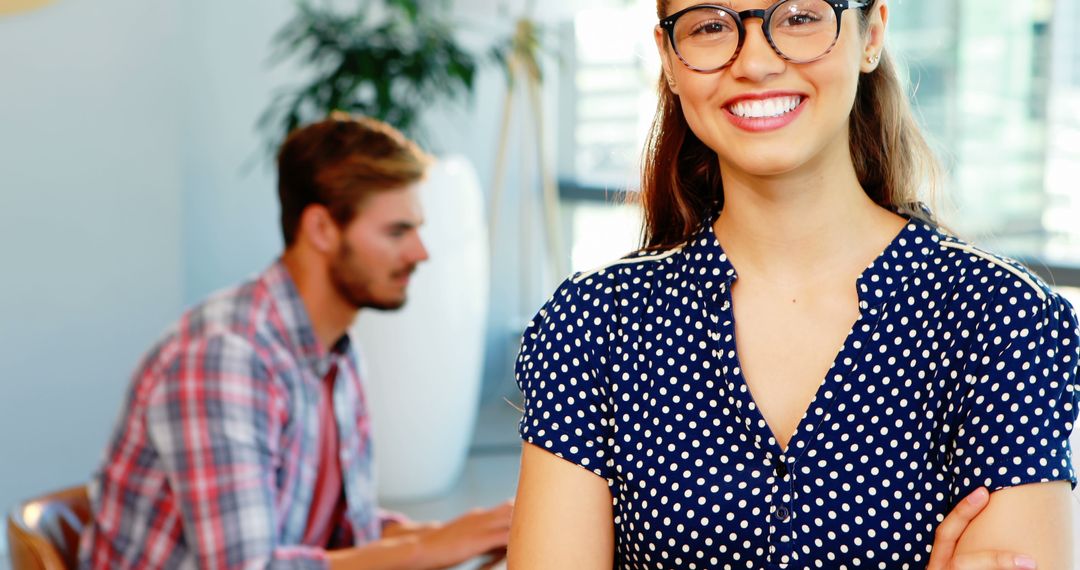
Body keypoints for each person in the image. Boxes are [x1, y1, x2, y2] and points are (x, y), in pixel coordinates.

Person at [509, 0, 1078, 568]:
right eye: (710, 26)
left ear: (872, 32)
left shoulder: (1001, 318)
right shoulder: (593, 323)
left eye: (800, 17)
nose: (754, 62)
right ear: (670, 60)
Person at [80, 114, 512, 570]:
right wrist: (425, 550)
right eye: (397, 231)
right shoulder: (226, 356)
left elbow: (349, 534)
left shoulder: (337, 355)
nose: (420, 252)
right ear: (322, 229)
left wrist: (459, 536)